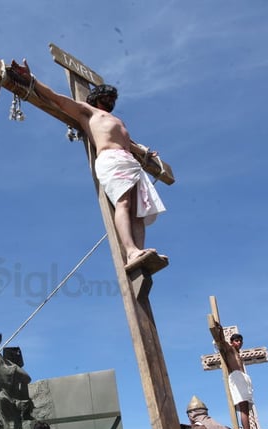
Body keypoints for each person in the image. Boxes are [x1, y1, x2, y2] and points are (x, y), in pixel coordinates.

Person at [10, 59, 167, 272]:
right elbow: (58, 99)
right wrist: (31, 80)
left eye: (114, 98)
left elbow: (128, 143)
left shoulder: (118, 121)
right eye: (107, 96)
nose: (111, 100)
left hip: (130, 162)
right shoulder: (89, 112)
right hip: (112, 159)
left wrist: (144, 152)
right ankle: (130, 251)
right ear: (96, 98)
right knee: (124, 204)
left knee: (138, 212)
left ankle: (139, 252)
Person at [209, 330, 267, 429]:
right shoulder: (230, 349)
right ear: (231, 342)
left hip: (243, 378)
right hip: (237, 377)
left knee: (247, 409)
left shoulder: (237, 353)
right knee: (243, 409)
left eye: (240, 341)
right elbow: (220, 340)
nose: (239, 342)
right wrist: (218, 328)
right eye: (236, 340)